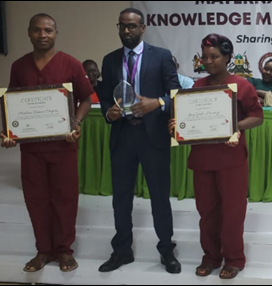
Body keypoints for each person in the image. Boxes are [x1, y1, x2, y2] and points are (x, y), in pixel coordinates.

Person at [0, 13, 93, 272]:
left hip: (63, 146)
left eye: (48, 30)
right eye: (38, 30)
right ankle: (43, 251)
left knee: (65, 199)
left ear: (55, 33)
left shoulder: (71, 64)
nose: (43, 35)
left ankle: (64, 251)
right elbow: (13, 105)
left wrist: (77, 122)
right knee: (36, 200)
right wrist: (9, 133)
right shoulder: (18, 67)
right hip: (32, 150)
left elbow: (86, 99)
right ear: (29, 33)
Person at [169, 33, 263, 279]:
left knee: (232, 212)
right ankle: (211, 256)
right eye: (205, 57)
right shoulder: (196, 87)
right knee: (207, 211)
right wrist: (177, 126)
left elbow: (257, 117)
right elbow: (185, 120)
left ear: (228, 57)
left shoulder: (242, 85)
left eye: (214, 57)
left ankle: (233, 259)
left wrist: (234, 126)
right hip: (203, 159)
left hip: (231, 160)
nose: (208, 61)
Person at [98, 8, 182, 274]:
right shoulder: (110, 60)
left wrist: (156, 103)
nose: (127, 31)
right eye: (122, 26)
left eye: (132, 27)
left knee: (159, 196)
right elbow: (104, 98)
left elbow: (176, 96)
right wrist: (109, 113)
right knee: (121, 197)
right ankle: (122, 250)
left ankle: (167, 250)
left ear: (143, 28)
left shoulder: (161, 56)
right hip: (123, 136)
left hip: (152, 137)